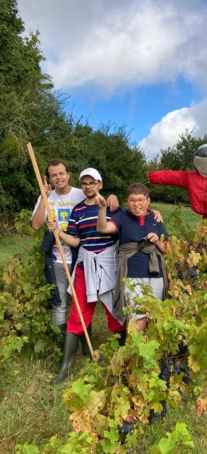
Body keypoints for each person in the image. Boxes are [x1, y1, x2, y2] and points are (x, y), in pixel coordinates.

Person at [47, 168, 126, 384]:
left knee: (115, 313)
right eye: (84, 183)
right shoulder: (78, 210)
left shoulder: (113, 207)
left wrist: (154, 214)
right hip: (85, 264)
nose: (88, 186)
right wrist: (58, 231)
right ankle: (65, 366)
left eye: (92, 182)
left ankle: (125, 359)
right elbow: (75, 241)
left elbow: (126, 224)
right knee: (77, 314)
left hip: (108, 263)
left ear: (100, 184)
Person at [31, 160, 118, 354]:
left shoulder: (81, 192)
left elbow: (103, 199)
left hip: (80, 257)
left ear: (68, 174)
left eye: (61, 173)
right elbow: (36, 225)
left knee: (82, 302)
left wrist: (112, 197)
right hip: (58, 258)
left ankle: (87, 348)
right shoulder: (47, 197)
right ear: (50, 178)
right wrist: (44, 198)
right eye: (54, 175)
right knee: (60, 303)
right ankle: (62, 350)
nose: (58, 177)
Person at [96, 183, 169, 332]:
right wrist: (102, 208)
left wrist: (158, 241)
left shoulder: (156, 219)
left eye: (140, 200)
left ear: (148, 201)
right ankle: (136, 353)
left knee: (155, 317)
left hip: (156, 274)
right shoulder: (122, 216)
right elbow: (103, 228)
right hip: (131, 275)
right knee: (137, 319)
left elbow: (169, 250)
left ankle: (155, 354)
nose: (136, 204)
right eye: (132, 200)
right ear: (127, 201)